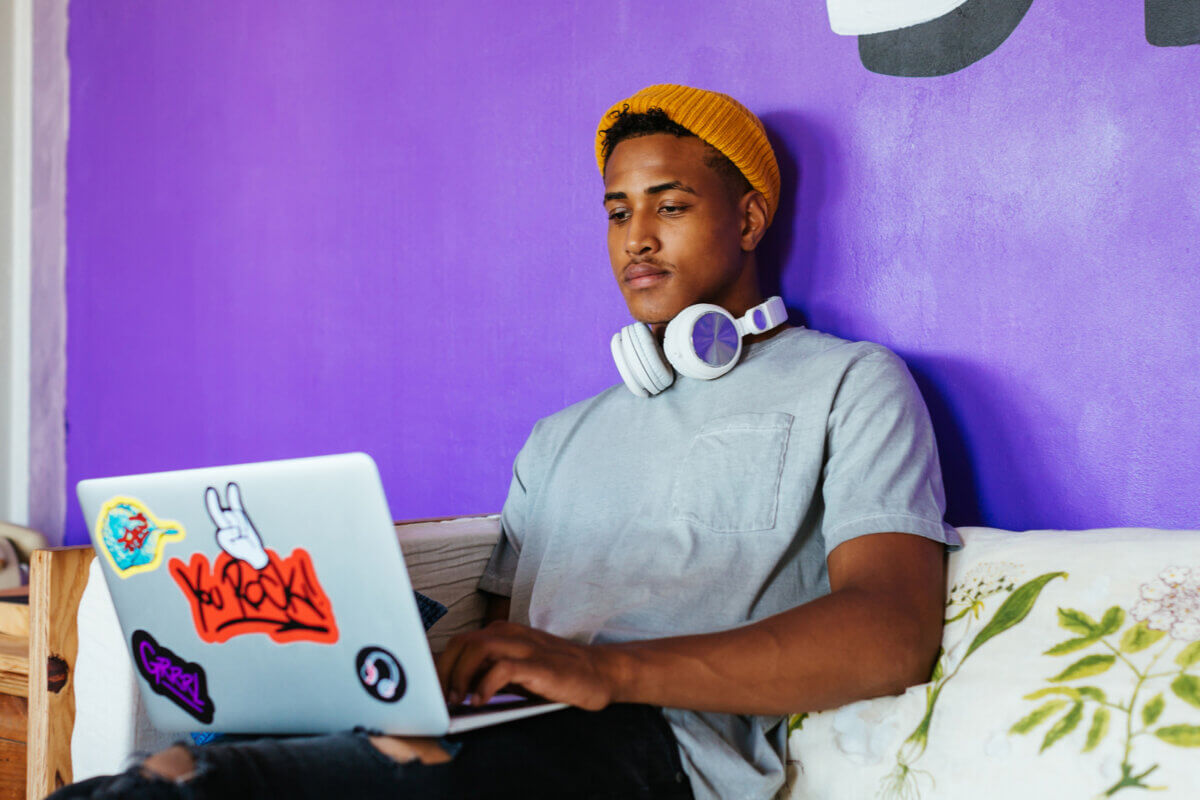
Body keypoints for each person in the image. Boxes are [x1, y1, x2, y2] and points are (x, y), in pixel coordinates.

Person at [51, 84, 961, 800]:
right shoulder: (560, 437)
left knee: (206, 791)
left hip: (652, 751)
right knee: (168, 769)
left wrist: (605, 671)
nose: (636, 239)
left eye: (670, 206)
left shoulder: (851, 384)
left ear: (750, 221)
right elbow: (495, 636)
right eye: (616, 211)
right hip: (495, 732)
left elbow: (892, 630)